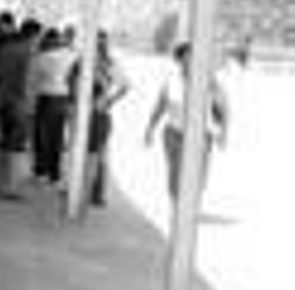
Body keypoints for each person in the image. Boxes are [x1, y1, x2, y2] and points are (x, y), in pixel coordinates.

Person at [144, 41, 229, 202]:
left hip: (201, 136)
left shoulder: (209, 81)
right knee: (176, 173)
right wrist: (150, 129)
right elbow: (160, 106)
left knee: (197, 176)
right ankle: (177, 205)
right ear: (179, 60)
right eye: (187, 57)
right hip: (174, 134)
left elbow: (224, 108)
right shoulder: (171, 81)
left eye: (194, 57)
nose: (190, 61)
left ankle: (191, 207)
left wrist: (223, 133)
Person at [75, 31, 130, 207]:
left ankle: (94, 194)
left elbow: (126, 86)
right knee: (91, 154)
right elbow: (70, 82)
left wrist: (108, 101)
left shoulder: (109, 64)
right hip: (88, 112)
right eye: (96, 44)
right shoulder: (82, 62)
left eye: (101, 44)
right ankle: (86, 192)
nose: (99, 47)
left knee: (98, 155)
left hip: (99, 113)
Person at [0, 19, 39, 199]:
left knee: (4, 144)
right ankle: (11, 187)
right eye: (37, 36)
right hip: (19, 103)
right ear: (33, 35)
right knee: (17, 146)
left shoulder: (5, 49)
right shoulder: (28, 53)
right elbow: (27, 82)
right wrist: (30, 105)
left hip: (3, 99)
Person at [29, 27, 78, 188]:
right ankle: (54, 174)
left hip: (45, 98)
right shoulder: (71, 55)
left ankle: (41, 171)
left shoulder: (42, 57)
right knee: (56, 138)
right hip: (62, 98)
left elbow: (34, 80)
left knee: (41, 136)